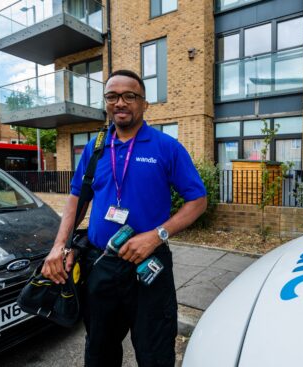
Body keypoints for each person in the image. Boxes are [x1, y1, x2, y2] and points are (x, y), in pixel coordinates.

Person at [42, 69, 207, 367]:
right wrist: (60, 246)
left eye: (130, 96)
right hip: (100, 265)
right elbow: (77, 198)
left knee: (154, 352)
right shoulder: (95, 148)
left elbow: (198, 201)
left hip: (148, 266)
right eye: (112, 96)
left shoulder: (166, 147)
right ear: (106, 103)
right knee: (99, 350)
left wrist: (158, 235)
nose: (120, 102)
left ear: (144, 104)